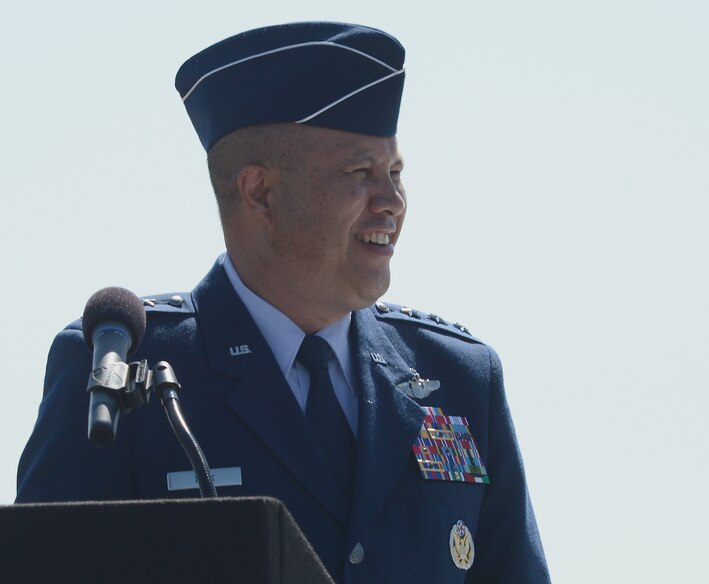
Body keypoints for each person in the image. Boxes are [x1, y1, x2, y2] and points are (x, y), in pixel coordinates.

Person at [16, 22, 549, 583]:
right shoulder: (123, 372)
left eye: (395, 173)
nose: (392, 202)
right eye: (361, 172)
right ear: (260, 192)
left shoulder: (459, 377)